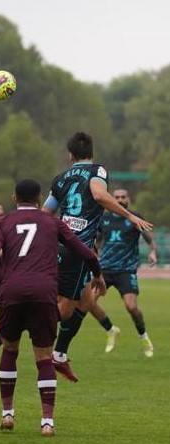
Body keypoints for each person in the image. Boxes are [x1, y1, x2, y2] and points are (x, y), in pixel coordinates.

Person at [0, 179, 106, 436]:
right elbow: (86, 252)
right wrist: (97, 274)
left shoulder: (2, 223)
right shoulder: (53, 222)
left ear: (15, 198)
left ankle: (7, 415)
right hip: (44, 292)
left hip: (12, 292)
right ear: (39, 199)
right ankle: (47, 422)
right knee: (44, 357)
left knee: (10, 350)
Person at [43, 132, 153, 382]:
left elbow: (45, 212)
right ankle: (12, 324)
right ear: (92, 153)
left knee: (85, 301)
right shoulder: (98, 171)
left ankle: (59, 354)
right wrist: (130, 215)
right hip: (78, 248)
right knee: (66, 310)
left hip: (60, 245)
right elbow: (100, 195)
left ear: (70, 155)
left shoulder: (60, 178)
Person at [89, 189, 157, 356]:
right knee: (88, 302)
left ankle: (143, 336)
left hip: (126, 269)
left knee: (131, 307)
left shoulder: (134, 217)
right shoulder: (103, 218)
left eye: (123, 197)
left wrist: (152, 251)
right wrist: (94, 254)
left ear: (129, 199)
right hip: (104, 269)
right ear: (112, 199)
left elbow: (149, 238)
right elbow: (96, 241)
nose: (120, 200)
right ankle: (111, 330)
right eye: (117, 197)